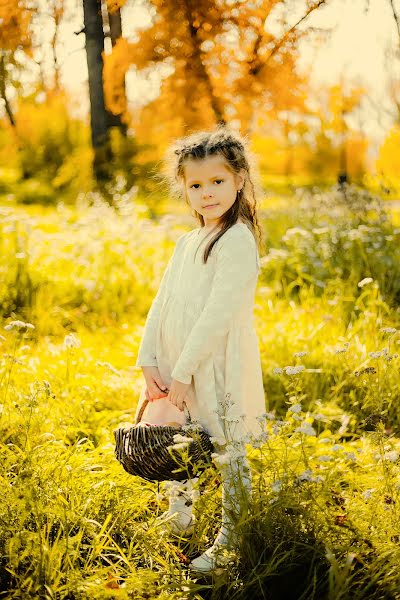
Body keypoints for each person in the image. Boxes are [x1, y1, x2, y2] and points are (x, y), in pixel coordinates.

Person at [134, 126, 267, 574]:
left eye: (217, 182)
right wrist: (149, 357)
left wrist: (186, 370)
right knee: (179, 440)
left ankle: (233, 536)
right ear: (184, 188)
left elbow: (218, 314)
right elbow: (162, 300)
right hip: (177, 363)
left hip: (216, 364)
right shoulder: (187, 242)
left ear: (239, 181)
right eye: (195, 185)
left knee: (229, 448)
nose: (206, 193)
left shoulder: (237, 241)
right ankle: (182, 511)